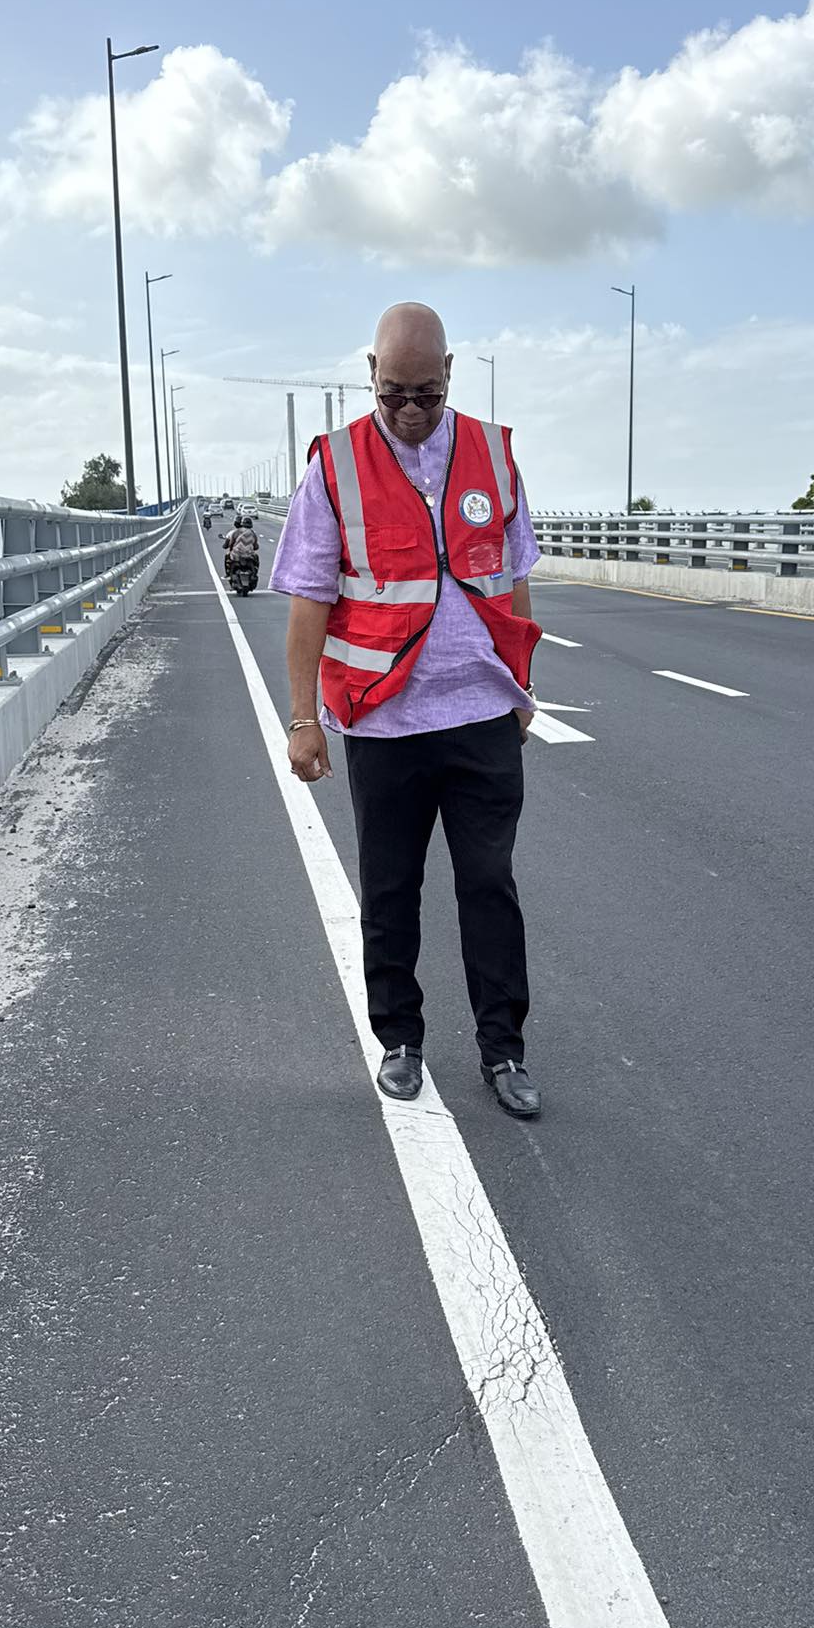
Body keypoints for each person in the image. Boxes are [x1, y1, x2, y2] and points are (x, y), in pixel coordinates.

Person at [270, 302, 543, 1118]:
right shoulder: (337, 466)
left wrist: (522, 683)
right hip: (382, 720)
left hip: (480, 715)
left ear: (450, 374)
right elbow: (309, 601)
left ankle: (504, 1050)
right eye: (394, 395)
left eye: (425, 393)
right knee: (390, 887)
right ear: (370, 376)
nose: (411, 412)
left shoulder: (493, 457)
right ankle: (401, 1038)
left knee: (489, 884)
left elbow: (515, 578)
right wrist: (302, 717)